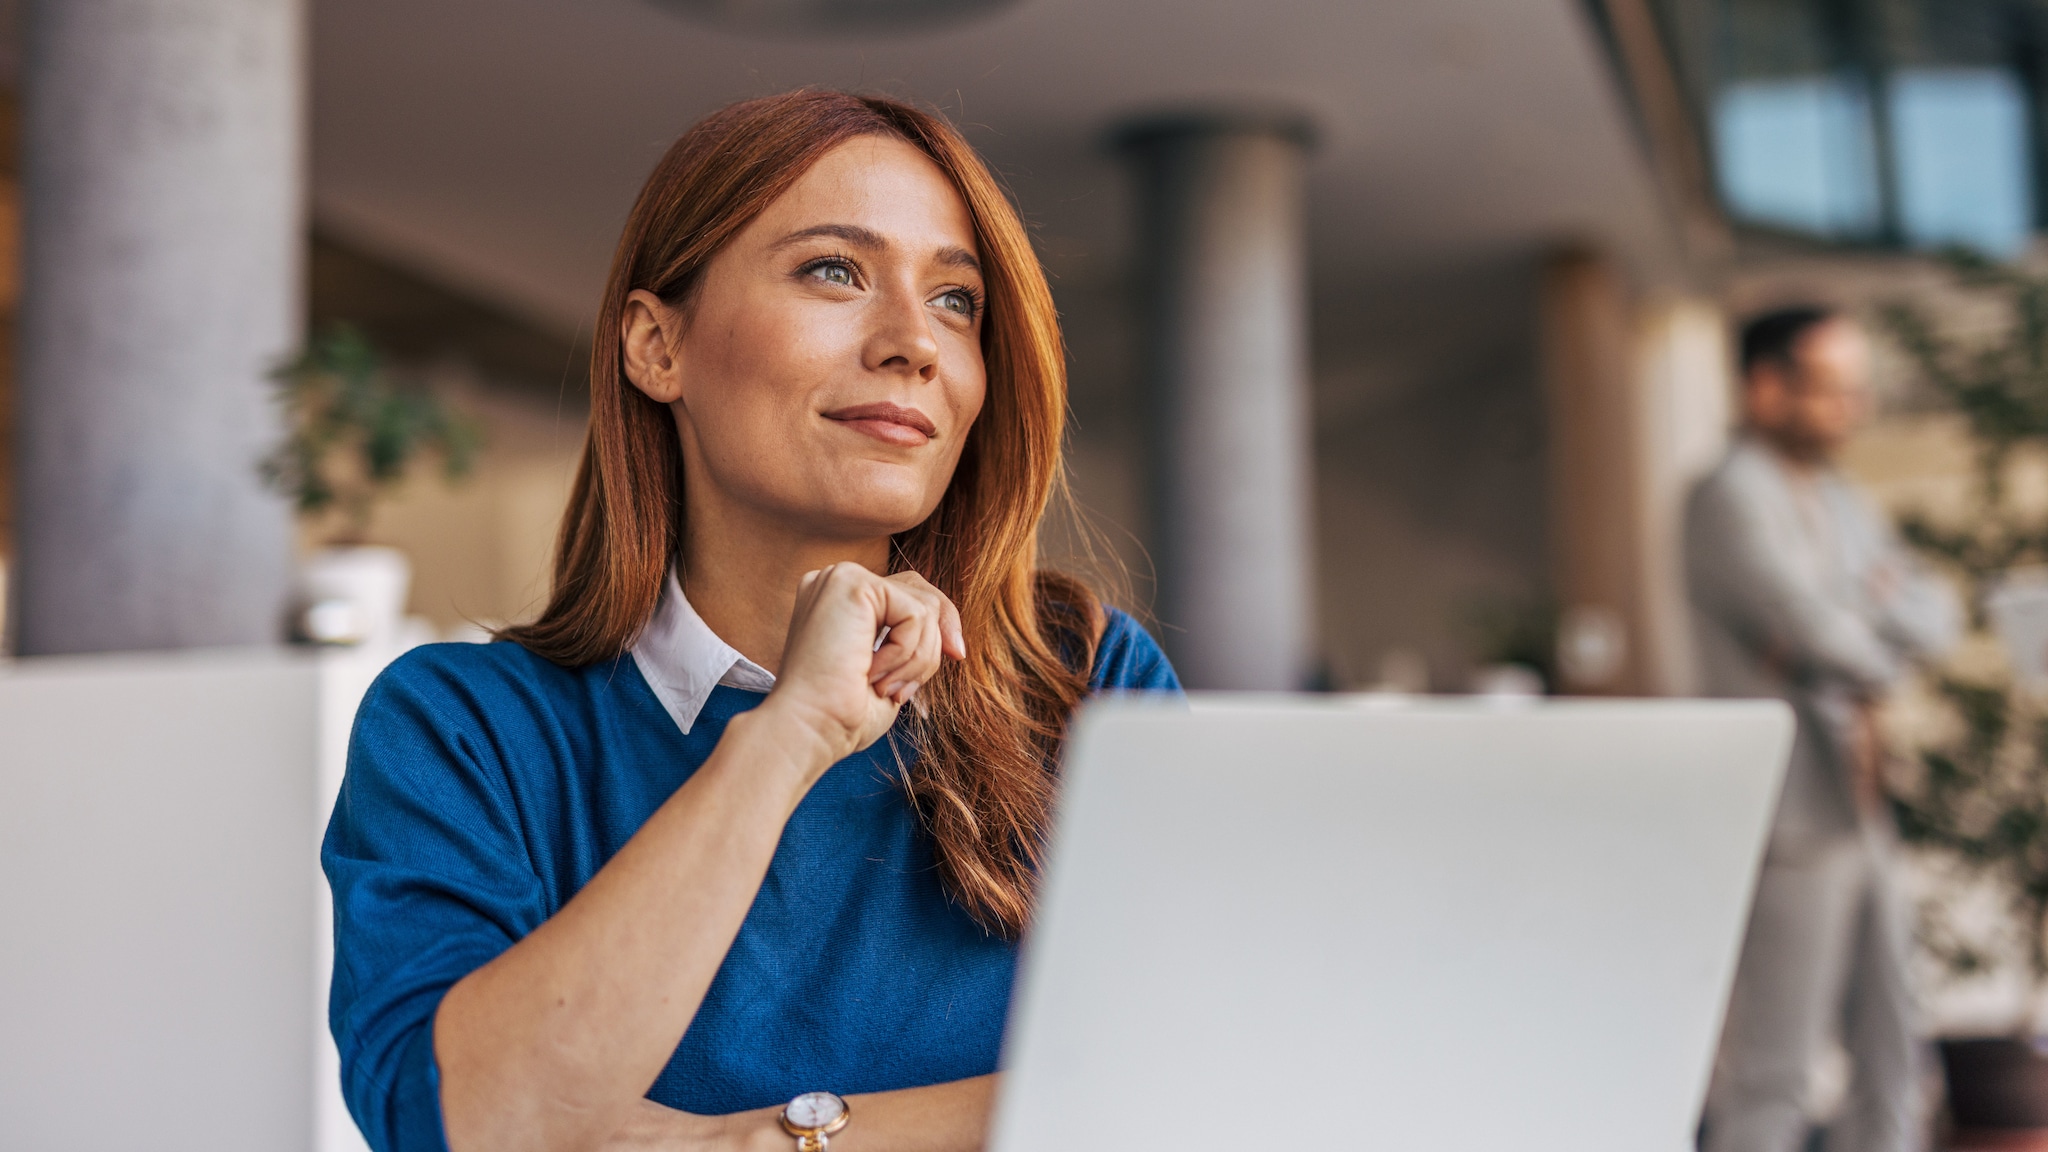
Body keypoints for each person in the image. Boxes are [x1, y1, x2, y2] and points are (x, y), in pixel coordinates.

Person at [322, 91, 1178, 1152]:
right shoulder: (466, 728)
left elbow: (1190, 1082)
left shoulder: (1081, 682)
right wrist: (786, 738)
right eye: (834, 270)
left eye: (957, 301)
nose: (914, 342)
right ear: (655, 347)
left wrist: (751, 1144)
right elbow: (470, 1127)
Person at [1689, 306, 1960, 1152]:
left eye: (1858, 387)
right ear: (1765, 387)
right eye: (1832, 388)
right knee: (1780, 1070)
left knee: (1896, 1054)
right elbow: (1820, 632)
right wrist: (1864, 619)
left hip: (1864, 805)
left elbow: (1935, 611)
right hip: (1796, 821)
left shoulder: (1839, 499)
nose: (1854, 407)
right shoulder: (1728, 495)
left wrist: (1860, 628)